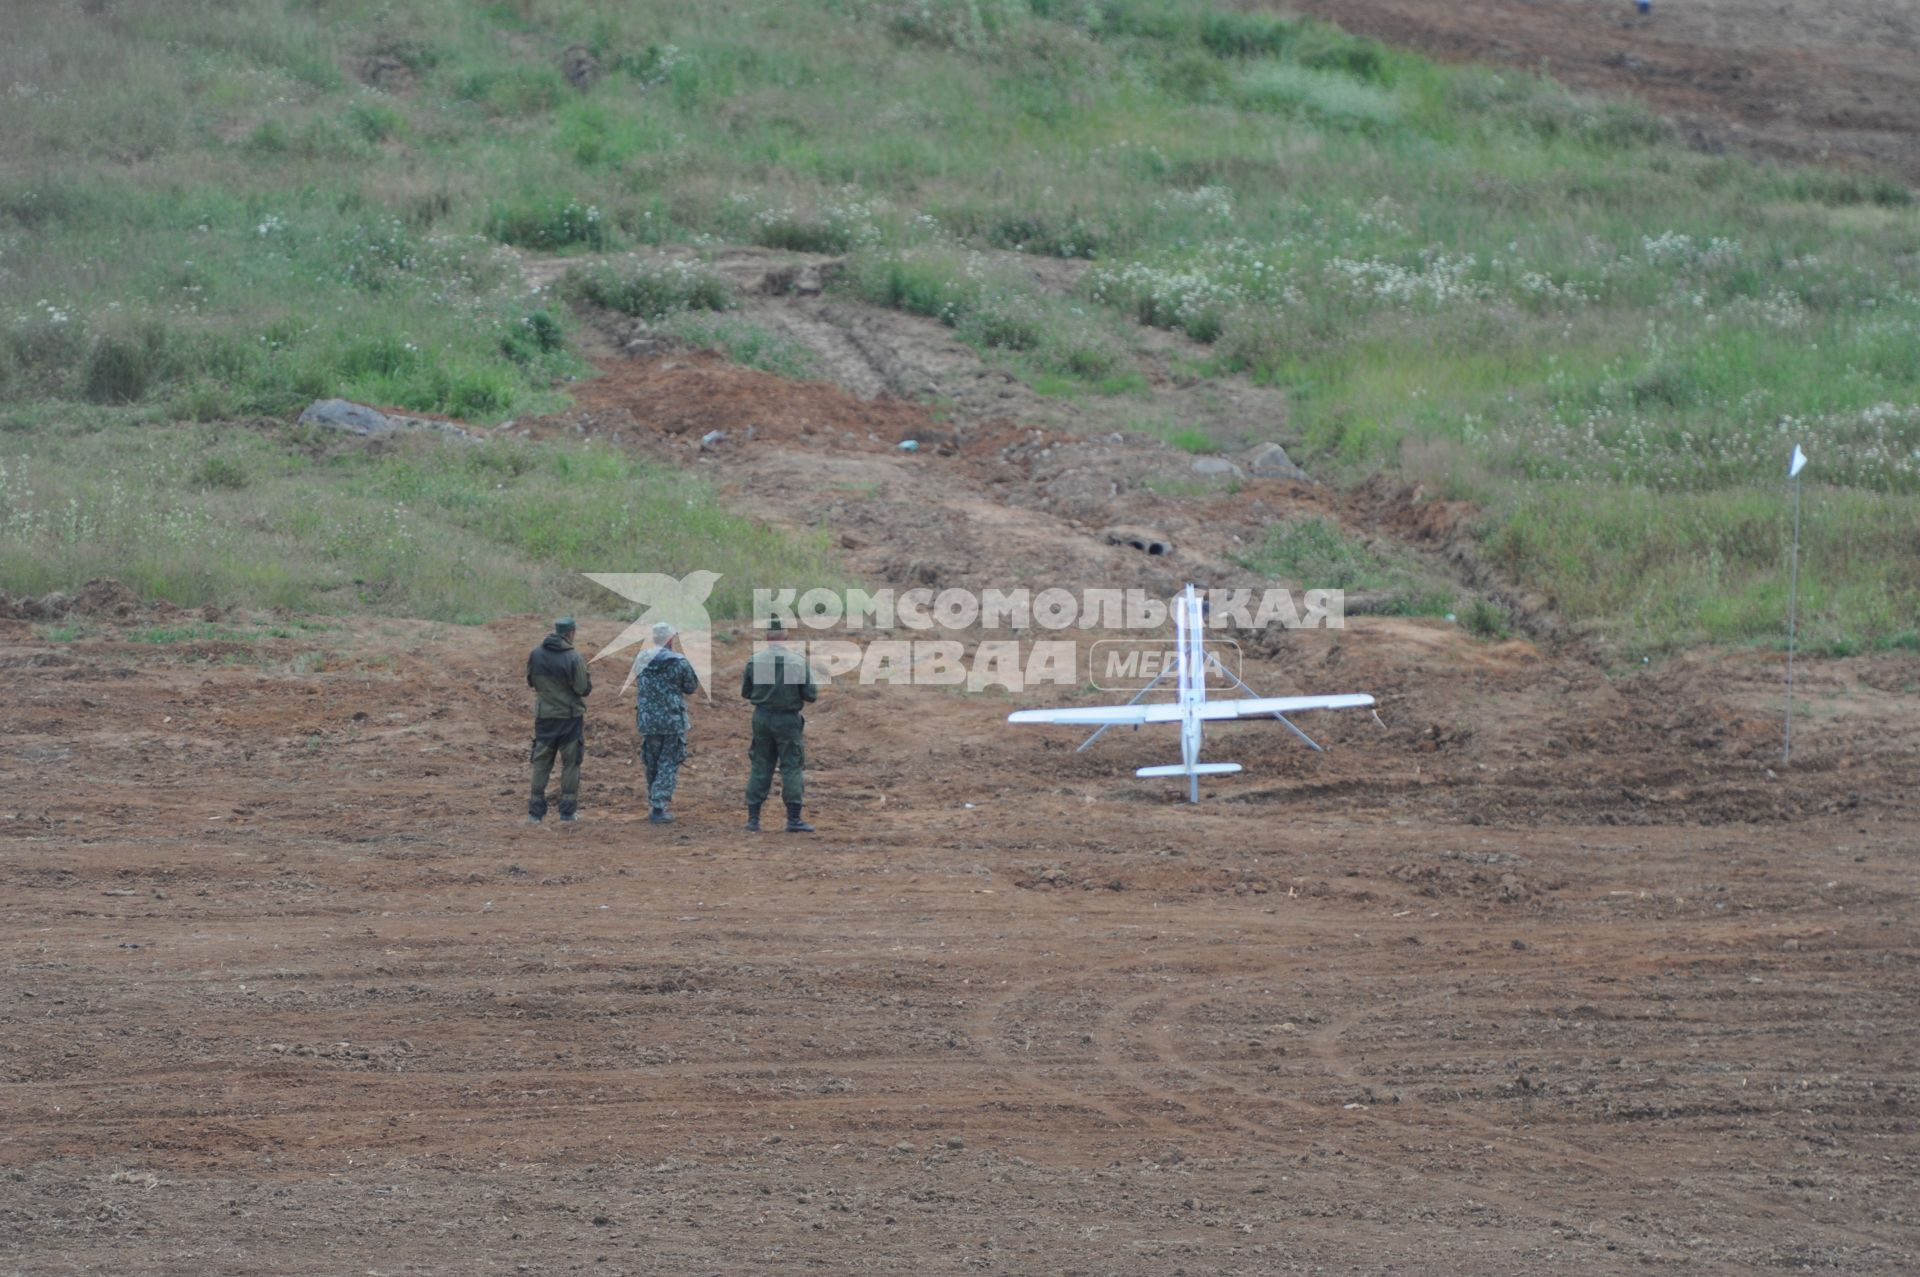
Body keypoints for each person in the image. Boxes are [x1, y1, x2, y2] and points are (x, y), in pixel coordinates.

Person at [740, 618, 817, 833]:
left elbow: (746, 692)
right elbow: (810, 695)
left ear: (767, 638)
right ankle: (793, 820)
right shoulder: (797, 662)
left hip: (762, 718)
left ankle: (753, 819)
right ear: (785, 637)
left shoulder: (755, 660)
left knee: (760, 764)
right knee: (791, 765)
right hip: (787, 719)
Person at [632, 620, 701, 824]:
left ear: (654, 638)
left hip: (648, 720)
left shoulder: (641, 658)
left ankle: (655, 800)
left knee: (652, 761)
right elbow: (690, 687)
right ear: (670, 639)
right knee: (668, 762)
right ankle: (659, 806)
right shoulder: (679, 662)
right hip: (672, 720)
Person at [526, 615, 591, 823]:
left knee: (541, 763)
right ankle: (567, 813)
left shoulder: (535, 654)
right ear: (570, 633)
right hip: (569, 719)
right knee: (571, 763)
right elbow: (582, 688)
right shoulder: (574, 657)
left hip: (544, 718)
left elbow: (530, 681)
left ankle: (535, 813)